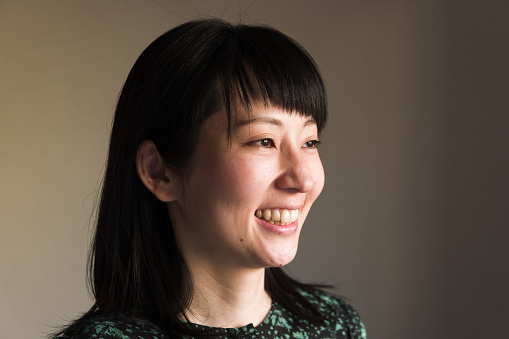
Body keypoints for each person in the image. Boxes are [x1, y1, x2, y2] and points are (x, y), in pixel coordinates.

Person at [52, 18, 367, 339]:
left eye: (309, 142)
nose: (303, 179)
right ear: (159, 172)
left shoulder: (336, 326)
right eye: (264, 141)